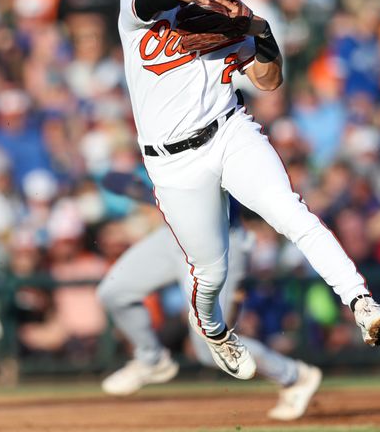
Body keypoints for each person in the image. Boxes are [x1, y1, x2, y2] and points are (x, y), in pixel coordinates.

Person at [116, 0, 380, 381]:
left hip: (230, 131)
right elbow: (152, 2)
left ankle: (362, 303)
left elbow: (268, 82)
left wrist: (262, 35)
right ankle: (213, 328)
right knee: (212, 273)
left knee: (294, 214)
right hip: (173, 161)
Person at [96, 172, 323, 421]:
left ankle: (294, 376)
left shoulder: (216, 141)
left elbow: (208, 197)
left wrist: (143, 192)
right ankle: (152, 359)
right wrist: (140, 190)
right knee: (114, 292)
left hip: (221, 240)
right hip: (175, 236)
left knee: (208, 347)